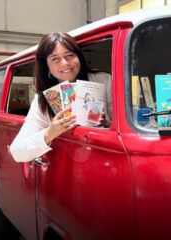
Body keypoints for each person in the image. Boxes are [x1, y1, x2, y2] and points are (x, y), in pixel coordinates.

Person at [10, 32, 112, 163]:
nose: (65, 63)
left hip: (104, 159)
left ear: (78, 57)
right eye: (55, 58)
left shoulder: (103, 80)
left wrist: (107, 124)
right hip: (66, 164)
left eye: (70, 55)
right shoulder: (42, 100)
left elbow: (122, 126)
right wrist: (51, 132)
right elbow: (17, 152)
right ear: (46, 66)